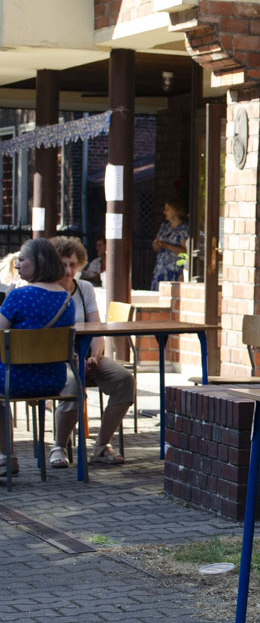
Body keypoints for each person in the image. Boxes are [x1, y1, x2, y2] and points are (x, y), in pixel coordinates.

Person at [47, 236, 132, 468]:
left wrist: (95, 355)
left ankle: (102, 445)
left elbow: (96, 328)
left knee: (124, 380)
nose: (67, 270)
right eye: (63, 264)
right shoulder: (47, 291)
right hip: (57, 359)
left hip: (86, 356)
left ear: (80, 265)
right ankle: (59, 447)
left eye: (72, 264)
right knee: (74, 386)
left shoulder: (84, 289)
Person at [0, 238, 75, 476]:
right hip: (54, 381)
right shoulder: (67, 300)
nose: (18, 265)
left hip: (16, 380)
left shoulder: (18, 296)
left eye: (22, 260)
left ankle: (5, 457)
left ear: (40, 261)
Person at [151, 197, 189, 288]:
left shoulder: (183, 229)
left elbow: (185, 251)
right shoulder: (164, 227)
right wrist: (156, 245)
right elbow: (156, 247)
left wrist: (165, 245)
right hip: (160, 269)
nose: (164, 212)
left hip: (174, 270)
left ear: (176, 211)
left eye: (167, 209)